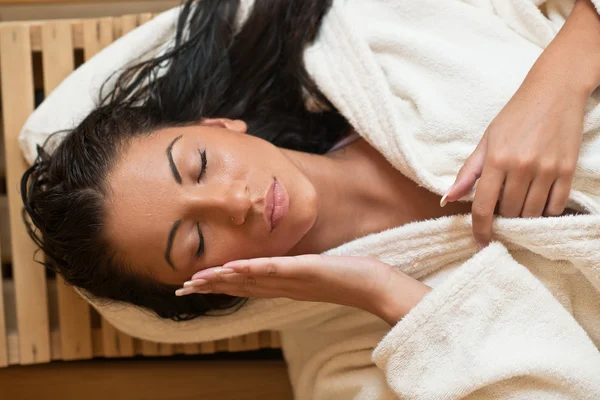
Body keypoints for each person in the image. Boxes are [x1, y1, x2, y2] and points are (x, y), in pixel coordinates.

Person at [19, 0, 600, 398]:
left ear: (221, 125)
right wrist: (393, 295)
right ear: (210, 283)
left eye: (199, 165)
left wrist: (560, 79)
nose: (233, 202)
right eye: (195, 239)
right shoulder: (345, 363)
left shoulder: (384, 40)